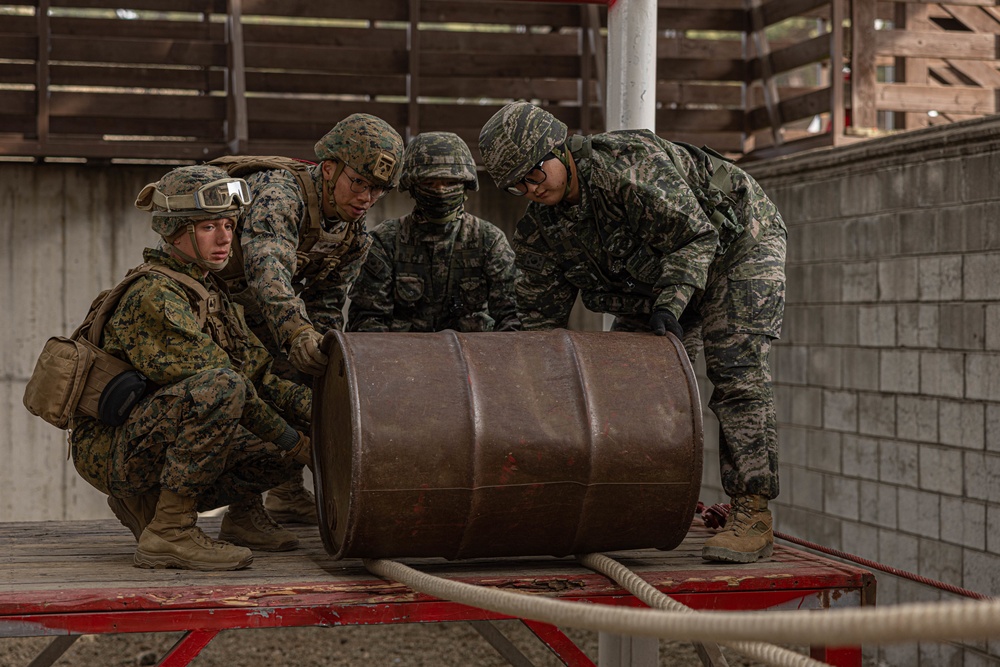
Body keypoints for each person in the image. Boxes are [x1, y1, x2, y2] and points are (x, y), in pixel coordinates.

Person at [479, 101, 786, 564]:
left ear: (559, 150)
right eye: (516, 185)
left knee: (735, 370)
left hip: (737, 246)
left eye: (534, 174)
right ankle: (638, 504)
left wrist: (671, 304)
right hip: (659, 279)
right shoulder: (540, 232)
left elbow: (695, 237)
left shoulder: (628, 167)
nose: (529, 189)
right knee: (632, 385)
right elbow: (537, 326)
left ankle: (753, 512)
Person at [70, 164, 313, 571]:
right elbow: (227, 386)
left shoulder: (207, 288)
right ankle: (170, 530)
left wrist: (327, 420)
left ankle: (185, 510)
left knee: (285, 446)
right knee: (224, 391)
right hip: (111, 449)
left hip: (151, 437)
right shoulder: (154, 295)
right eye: (207, 227)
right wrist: (296, 441)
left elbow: (261, 374)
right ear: (175, 231)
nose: (224, 239)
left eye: (229, 225)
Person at [209, 114, 404, 524]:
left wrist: (321, 348)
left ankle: (285, 491)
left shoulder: (353, 234)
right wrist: (297, 332)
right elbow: (269, 269)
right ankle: (243, 513)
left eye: (379, 190)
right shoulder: (281, 196)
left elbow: (329, 300)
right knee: (249, 390)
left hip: (261, 314)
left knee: (303, 381)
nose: (367, 198)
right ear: (329, 170)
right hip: (213, 308)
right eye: (360, 183)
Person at [347, 131, 520, 333]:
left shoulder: (489, 240)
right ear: (412, 187)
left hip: (474, 360)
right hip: (403, 359)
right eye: (429, 184)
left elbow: (512, 317)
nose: (440, 191)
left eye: (450, 183)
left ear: (465, 186)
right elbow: (367, 321)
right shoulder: (386, 240)